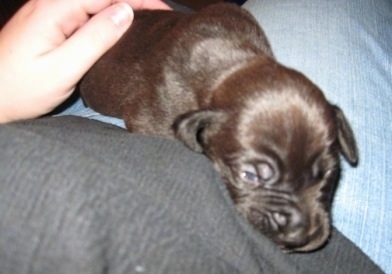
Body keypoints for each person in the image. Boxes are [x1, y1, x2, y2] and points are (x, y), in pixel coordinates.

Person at [0, 0, 389, 273]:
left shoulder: (239, 26)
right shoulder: (168, 114)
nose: (303, 222)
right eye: (255, 175)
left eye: (322, 174)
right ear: (198, 131)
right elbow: (145, 117)